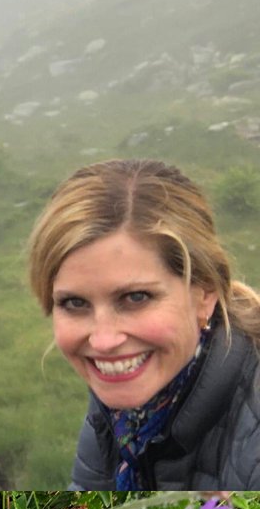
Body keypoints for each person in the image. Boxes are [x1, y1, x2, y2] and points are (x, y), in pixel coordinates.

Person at [27, 158, 260, 490]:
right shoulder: (123, 413)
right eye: (74, 303)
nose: (104, 340)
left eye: (135, 298)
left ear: (205, 293)